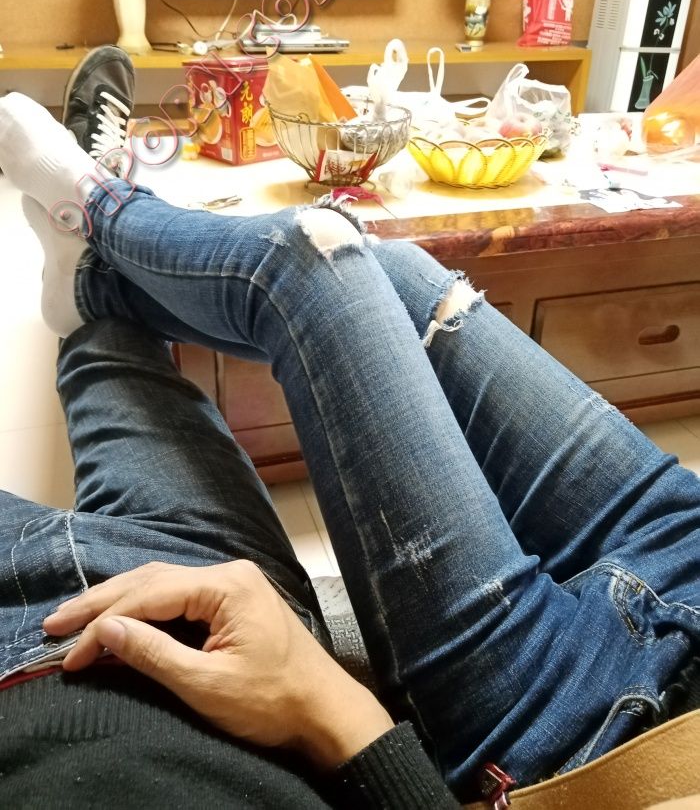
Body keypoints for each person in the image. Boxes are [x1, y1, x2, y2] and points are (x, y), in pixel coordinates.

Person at [0, 48, 697, 808]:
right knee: (398, 271)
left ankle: (96, 203)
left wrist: (344, 720)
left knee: (316, 254)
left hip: (599, 725)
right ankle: (94, 278)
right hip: (687, 554)